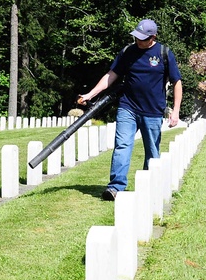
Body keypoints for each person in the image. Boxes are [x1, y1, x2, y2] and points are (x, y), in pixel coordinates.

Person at [78, 19, 183, 201]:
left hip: (153, 111)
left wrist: (176, 111)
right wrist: (90, 95)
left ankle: (150, 187)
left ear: (153, 37)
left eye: (142, 38)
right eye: (136, 37)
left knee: (152, 151)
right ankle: (115, 187)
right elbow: (111, 76)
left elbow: (177, 82)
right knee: (122, 145)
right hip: (128, 107)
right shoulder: (128, 52)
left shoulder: (164, 53)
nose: (138, 41)